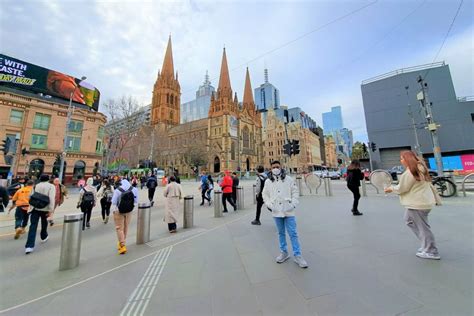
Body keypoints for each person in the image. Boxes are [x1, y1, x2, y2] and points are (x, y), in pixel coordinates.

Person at [384, 150, 442, 260]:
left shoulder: (411, 171)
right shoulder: (420, 168)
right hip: (422, 202)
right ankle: (426, 245)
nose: (401, 161)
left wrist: (390, 188)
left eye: (402, 158)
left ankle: (431, 250)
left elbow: (402, 188)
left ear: (407, 159)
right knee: (409, 220)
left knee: (422, 227)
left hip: (417, 203)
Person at [262, 161, 308, 268]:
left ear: (281, 167)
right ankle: (284, 252)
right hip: (276, 211)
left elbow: (295, 192)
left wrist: (293, 204)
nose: (276, 169)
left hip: (288, 210)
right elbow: (265, 194)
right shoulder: (268, 181)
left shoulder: (288, 179)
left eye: (277, 167)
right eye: (274, 167)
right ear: (270, 168)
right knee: (280, 233)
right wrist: (269, 204)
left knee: (293, 233)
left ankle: (298, 255)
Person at [25, 174, 56, 254]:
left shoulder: (36, 186)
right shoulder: (51, 186)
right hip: (45, 208)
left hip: (35, 208)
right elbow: (51, 198)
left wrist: (31, 207)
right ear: (48, 179)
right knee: (44, 223)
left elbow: (30, 197)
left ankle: (29, 246)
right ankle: (43, 236)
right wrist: (51, 210)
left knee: (33, 226)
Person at [111, 179, 138, 254]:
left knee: (119, 228)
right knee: (126, 226)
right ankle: (122, 242)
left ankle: (122, 245)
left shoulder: (118, 190)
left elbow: (113, 202)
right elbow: (136, 201)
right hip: (129, 211)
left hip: (118, 211)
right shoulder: (134, 189)